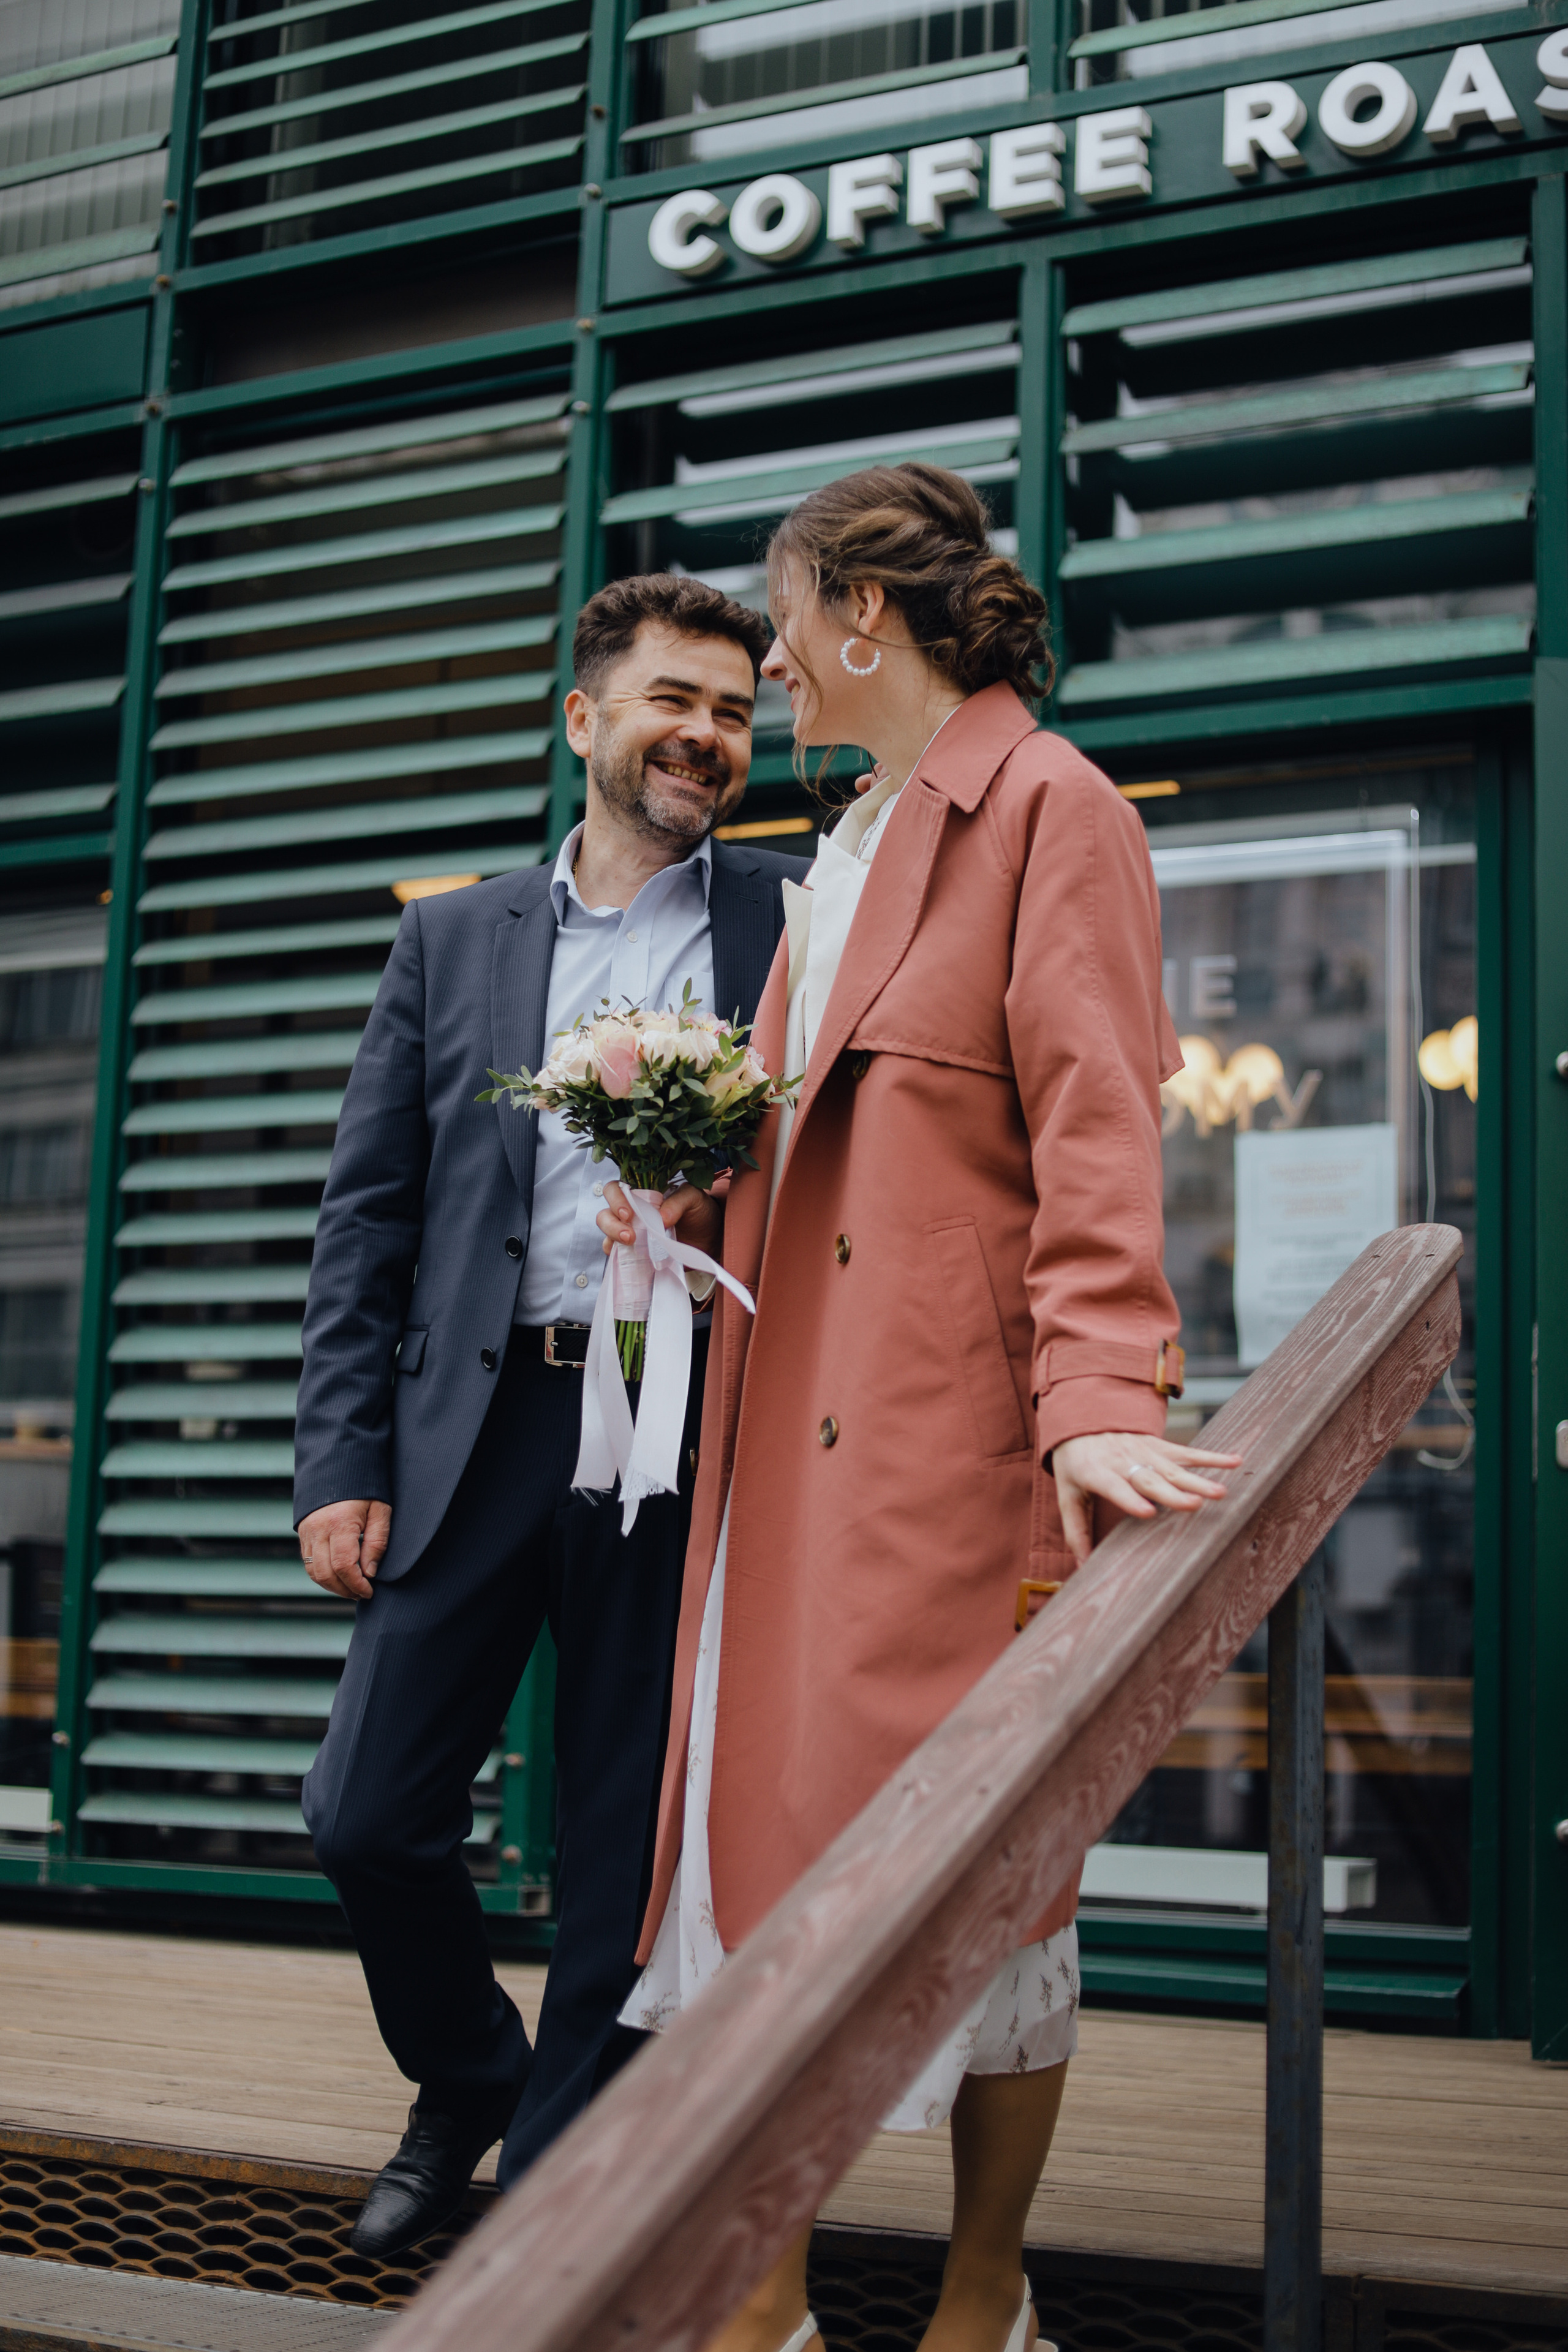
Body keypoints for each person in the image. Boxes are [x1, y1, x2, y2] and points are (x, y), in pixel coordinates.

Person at [597, 467, 1241, 2352]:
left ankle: (982, 2304)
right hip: (776, 1434)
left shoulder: (1054, 805)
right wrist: (678, 1176)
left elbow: (1099, 1117)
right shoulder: (852, 840)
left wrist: (1095, 1392)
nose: (774, 664)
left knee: (983, 1875)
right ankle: (765, 2307)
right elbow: (804, 1147)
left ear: (864, 615)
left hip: (936, 1450)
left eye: (788, 618)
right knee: (748, 1864)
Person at [293, 575, 810, 2257]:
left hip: (688, 1428)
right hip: (483, 1427)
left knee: (623, 1834)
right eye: (674, 701)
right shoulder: (454, 937)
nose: (707, 736)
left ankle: (559, 2186)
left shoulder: (799, 917)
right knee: (365, 1814)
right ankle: (469, 2079)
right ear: (586, 718)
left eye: (734, 710)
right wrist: (340, 1459)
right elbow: (369, 1215)